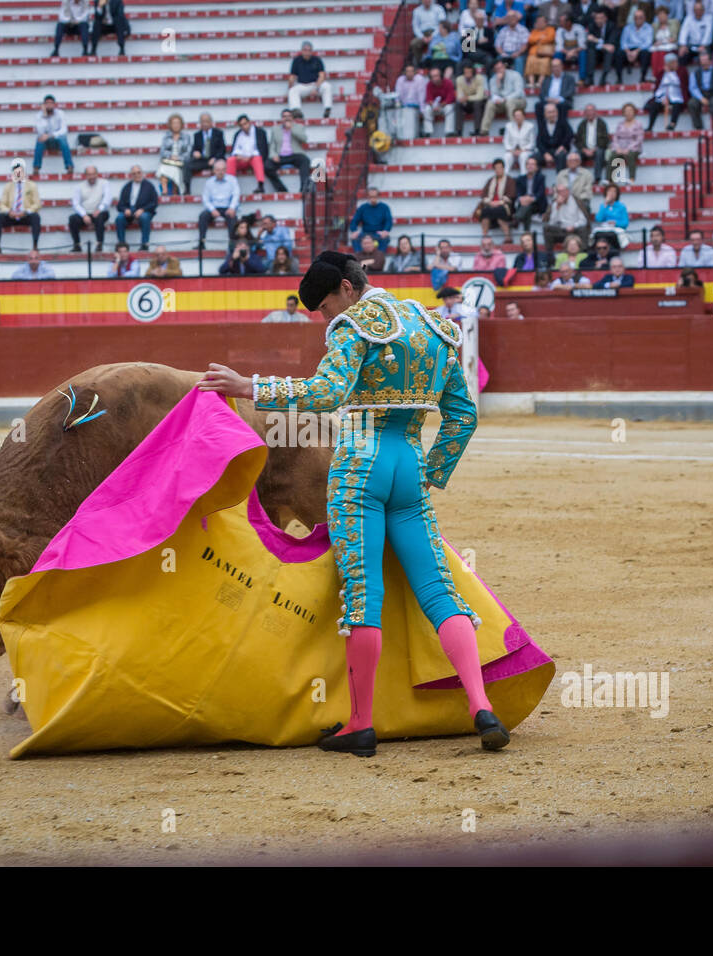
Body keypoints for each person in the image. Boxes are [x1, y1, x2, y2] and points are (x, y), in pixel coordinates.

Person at [198, 251, 512, 756]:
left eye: (325, 307)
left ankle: (360, 725)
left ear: (347, 288)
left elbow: (327, 393)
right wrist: (432, 472)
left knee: (363, 596)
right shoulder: (435, 326)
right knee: (439, 591)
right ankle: (481, 706)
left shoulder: (354, 325)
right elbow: (463, 416)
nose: (326, 318)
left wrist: (250, 386)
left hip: (360, 466)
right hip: (409, 465)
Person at [0, 159, 42, 252]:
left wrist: (26, 212)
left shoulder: (32, 185)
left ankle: (35, 245)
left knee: (36, 217)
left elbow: (37, 204)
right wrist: (9, 212)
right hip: (11, 215)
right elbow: (1, 204)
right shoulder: (8, 186)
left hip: (25, 215)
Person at [197, 158, 240, 250]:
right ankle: (201, 242)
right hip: (214, 208)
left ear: (225, 170)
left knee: (233, 218)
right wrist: (212, 209)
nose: (220, 172)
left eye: (222, 169)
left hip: (227, 207)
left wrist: (232, 208)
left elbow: (236, 195)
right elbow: (205, 198)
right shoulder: (209, 182)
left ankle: (232, 244)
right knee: (203, 216)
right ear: (214, 171)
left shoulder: (232, 180)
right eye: (218, 170)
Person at [267, 110, 312, 193]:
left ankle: (304, 187)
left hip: (294, 154)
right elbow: (272, 145)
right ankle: (281, 189)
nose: (286, 118)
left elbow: (304, 139)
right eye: (284, 116)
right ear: (281, 119)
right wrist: (273, 155)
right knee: (267, 166)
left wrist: (291, 129)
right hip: (280, 156)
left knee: (305, 161)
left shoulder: (299, 127)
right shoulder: (275, 129)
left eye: (288, 116)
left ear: (292, 118)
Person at [69, 165, 112, 251]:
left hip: (101, 211)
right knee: (72, 219)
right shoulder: (79, 186)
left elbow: (107, 199)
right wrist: (84, 215)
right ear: (85, 175)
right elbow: (75, 203)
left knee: (99, 217)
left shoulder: (105, 183)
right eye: (89, 174)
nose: (91, 176)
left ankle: (99, 244)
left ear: (97, 174)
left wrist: (99, 209)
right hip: (86, 213)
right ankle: (77, 245)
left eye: (93, 174)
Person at [115, 164, 159, 248]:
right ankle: (122, 245)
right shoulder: (126, 187)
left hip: (144, 211)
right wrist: (125, 210)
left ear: (142, 173)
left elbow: (154, 202)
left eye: (138, 172)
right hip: (129, 211)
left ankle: (144, 245)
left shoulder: (149, 186)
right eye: (134, 173)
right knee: (119, 218)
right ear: (131, 175)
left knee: (144, 217)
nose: (137, 175)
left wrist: (142, 209)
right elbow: (120, 205)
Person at [226, 114, 272, 194]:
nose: (244, 127)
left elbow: (263, 150)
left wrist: (250, 156)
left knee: (257, 158)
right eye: (241, 125)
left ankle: (260, 185)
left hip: (253, 158)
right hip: (241, 159)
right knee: (231, 160)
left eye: (245, 124)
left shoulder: (260, 132)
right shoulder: (238, 134)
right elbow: (235, 149)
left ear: (249, 122)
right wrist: (238, 156)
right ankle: (230, 186)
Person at [287, 41, 333, 117]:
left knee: (327, 86)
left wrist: (316, 88)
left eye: (309, 50)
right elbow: (292, 76)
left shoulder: (317, 60)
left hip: (315, 84)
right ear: (301, 51)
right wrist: (289, 86)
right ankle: (296, 111)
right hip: (302, 85)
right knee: (292, 91)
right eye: (305, 50)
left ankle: (327, 109)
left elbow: (322, 76)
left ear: (312, 51)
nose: (307, 52)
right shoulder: (296, 61)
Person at [686, 49, 713, 131]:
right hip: (701, 94)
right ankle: (698, 127)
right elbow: (692, 88)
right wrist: (701, 98)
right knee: (691, 103)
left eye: (705, 60)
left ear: (710, 60)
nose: (703, 62)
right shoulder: (695, 73)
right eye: (702, 60)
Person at [480, 58, 526, 134]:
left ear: (504, 66)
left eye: (501, 67)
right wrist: (498, 83)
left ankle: (514, 128)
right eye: (497, 69)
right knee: (490, 103)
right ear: (494, 70)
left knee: (510, 102)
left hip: (519, 101)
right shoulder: (493, 79)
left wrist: (505, 99)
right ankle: (484, 130)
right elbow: (494, 95)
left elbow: (519, 92)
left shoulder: (515, 75)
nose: (500, 70)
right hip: (503, 103)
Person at [645, 53, 687, 131]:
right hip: (663, 96)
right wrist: (662, 97)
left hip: (677, 95)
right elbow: (659, 87)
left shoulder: (682, 71)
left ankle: (672, 124)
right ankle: (650, 126)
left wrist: (670, 74)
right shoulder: (662, 73)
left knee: (677, 105)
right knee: (654, 105)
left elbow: (681, 84)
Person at [33, 95, 74, 174]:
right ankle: (36, 168)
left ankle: (69, 166)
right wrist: (45, 116)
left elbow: (64, 130)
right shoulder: (39, 116)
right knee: (39, 139)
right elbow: (40, 132)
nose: (49, 105)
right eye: (47, 103)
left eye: (51, 103)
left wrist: (51, 135)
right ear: (44, 105)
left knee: (63, 138)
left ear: (54, 104)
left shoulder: (60, 113)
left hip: (57, 140)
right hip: (46, 142)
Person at [606, 102, 644, 185]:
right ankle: (609, 180)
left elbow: (639, 139)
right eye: (626, 111)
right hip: (620, 147)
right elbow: (615, 137)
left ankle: (632, 178)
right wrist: (617, 148)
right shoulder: (620, 124)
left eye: (630, 110)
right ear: (623, 113)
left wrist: (628, 149)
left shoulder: (638, 124)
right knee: (613, 156)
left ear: (634, 112)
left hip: (633, 147)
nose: (628, 113)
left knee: (630, 155)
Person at [544, 182, 587, 250]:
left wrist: (574, 226)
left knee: (583, 230)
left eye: (563, 191)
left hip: (574, 230)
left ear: (568, 191)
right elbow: (551, 223)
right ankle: (549, 257)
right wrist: (557, 207)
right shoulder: (555, 203)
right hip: (561, 230)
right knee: (547, 229)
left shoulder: (576, 202)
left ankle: (583, 254)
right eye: (558, 192)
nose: (561, 193)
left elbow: (583, 220)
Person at [347, 187, 393, 252]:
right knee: (354, 238)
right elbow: (354, 221)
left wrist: (386, 231)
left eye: (375, 196)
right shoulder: (363, 208)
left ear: (378, 196)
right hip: (365, 234)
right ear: (368, 197)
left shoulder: (384, 207)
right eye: (371, 196)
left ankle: (378, 258)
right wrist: (354, 230)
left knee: (385, 237)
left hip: (378, 234)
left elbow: (389, 221)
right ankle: (359, 258)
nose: (373, 198)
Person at [615, 7, 653, 83]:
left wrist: (636, 52)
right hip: (628, 50)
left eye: (640, 17)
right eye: (636, 17)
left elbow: (647, 43)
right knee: (618, 54)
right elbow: (623, 42)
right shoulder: (627, 28)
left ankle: (642, 77)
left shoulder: (649, 28)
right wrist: (628, 52)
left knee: (645, 54)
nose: (638, 19)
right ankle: (619, 78)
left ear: (644, 18)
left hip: (640, 50)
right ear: (633, 18)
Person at [187, 112, 226, 185]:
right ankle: (187, 189)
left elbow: (222, 149)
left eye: (207, 121)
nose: (204, 124)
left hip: (215, 159)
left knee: (220, 165)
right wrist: (195, 153)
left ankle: (221, 186)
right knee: (187, 164)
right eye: (202, 122)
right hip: (203, 160)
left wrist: (215, 158)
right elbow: (195, 149)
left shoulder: (218, 133)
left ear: (211, 122)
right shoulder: (197, 135)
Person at [573, 102, 608, 183]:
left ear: (595, 112)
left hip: (597, 149)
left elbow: (605, 139)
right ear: (585, 113)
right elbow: (577, 140)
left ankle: (597, 178)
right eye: (587, 111)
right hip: (585, 149)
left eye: (591, 110)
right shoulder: (582, 124)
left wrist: (594, 149)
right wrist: (584, 150)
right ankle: (578, 179)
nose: (589, 113)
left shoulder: (601, 123)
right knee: (575, 155)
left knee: (600, 152)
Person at [535, 101, 573, 171]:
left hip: (559, 150)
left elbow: (570, 134)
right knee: (533, 159)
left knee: (561, 156)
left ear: (557, 112)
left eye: (553, 112)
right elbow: (538, 142)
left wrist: (563, 146)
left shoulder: (562, 122)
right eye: (549, 112)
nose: (552, 114)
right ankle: (538, 180)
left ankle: (560, 180)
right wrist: (545, 153)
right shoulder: (542, 124)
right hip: (547, 150)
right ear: (545, 114)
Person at [453, 62, 487, 136]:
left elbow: (480, 96)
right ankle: (458, 131)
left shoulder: (479, 78)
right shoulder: (459, 79)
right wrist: (463, 99)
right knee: (458, 104)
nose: (468, 74)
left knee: (477, 103)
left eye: (469, 72)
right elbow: (460, 96)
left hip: (478, 103)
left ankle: (477, 130)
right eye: (466, 72)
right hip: (466, 103)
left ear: (473, 72)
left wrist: (467, 98)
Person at [590, 181, 627, 248]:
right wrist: (605, 204)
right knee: (597, 234)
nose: (611, 193)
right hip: (605, 229)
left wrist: (615, 223)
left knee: (611, 236)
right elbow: (598, 219)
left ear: (617, 194)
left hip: (615, 230)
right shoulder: (603, 205)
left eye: (614, 192)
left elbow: (625, 223)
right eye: (609, 191)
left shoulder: (621, 207)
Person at [422, 66, 457, 136]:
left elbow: (451, 97)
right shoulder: (429, 85)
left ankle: (449, 132)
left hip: (445, 105)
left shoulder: (448, 82)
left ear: (441, 75)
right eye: (433, 77)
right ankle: (428, 132)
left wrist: (441, 105)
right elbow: (429, 98)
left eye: (436, 76)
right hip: (434, 106)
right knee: (427, 109)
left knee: (450, 108)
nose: (435, 78)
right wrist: (434, 105)